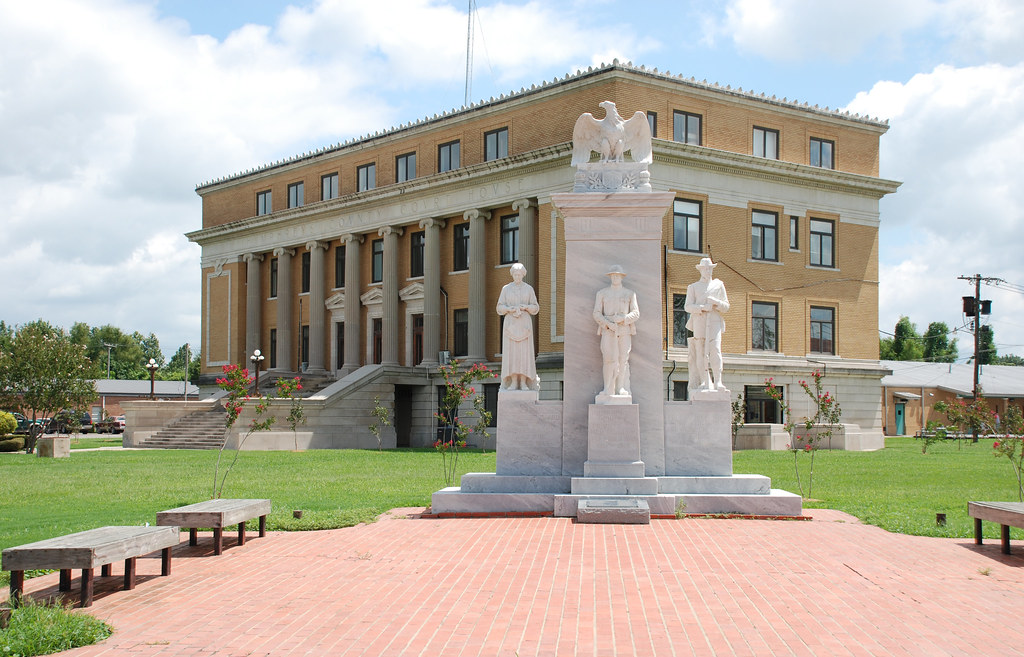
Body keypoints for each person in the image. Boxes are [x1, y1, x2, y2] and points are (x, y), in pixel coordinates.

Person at [593, 265, 640, 397]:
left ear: (622, 277)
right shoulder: (602, 293)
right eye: (613, 275)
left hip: (624, 330)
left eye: (617, 275)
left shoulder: (629, 294)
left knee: (623, 359)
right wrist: (607, 324)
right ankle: (608, 388)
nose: (615, 277)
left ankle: (620, 388)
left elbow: (636, 313)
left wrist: (623, 319)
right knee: (608, 359)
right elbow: (596, 313)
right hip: (608, 330)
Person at [685, 257, 730, 391]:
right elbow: (688, 306)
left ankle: (718, 381)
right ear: (700, 270)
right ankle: (705, 381)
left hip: (714, 321)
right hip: (699, 321)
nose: (708, 271)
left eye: (710, 269)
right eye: (705, 269)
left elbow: (726, 306)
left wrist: (716, 302)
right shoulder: (693, 287)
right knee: (701, 351)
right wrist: (703, 307)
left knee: (715, 350)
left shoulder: (718, 285)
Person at [495, 263, 540, 391]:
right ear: (512, 275)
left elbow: (535, 307)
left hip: (524, 324)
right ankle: (513, 382)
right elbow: (499, 307)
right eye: (515, 274)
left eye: (519, 274)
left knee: (524, 354)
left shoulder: (529, 289)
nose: (517, 277)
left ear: (523, 275)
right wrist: (509, 309)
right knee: (512, 354)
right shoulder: (506, 289)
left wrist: (526, 307)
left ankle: (524, 382)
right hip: (511, 324)